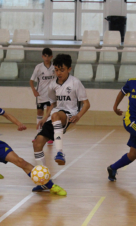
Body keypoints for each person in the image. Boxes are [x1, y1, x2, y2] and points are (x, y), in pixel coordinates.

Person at [32, 54, 90, 191]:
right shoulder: (52, 85)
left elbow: (86, 104)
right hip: (55, 116)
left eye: (62, 70)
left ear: (69, 69)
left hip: (68, 115)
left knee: (57, 115)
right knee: (37, 144)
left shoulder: (75, 83)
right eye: (56, 70)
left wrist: (79, 115)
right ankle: (44, 181)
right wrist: (44, 119)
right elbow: (52, 104)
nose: (58, 73)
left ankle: (60, 152)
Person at [30, 48, 54, 144]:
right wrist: (34, 91)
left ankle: (49, 135)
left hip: (51, 95)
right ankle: (38, 134)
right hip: (40, 95)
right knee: (39, 114)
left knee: (48, 115)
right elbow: (31, 80)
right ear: (42, 56)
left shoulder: (54, 67)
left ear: (51, 57)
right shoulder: (39, 67)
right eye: (45, 56)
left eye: (48, 56)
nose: (47, 58)